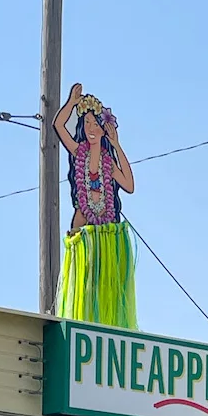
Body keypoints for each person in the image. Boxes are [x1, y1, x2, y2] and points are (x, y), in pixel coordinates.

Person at [53, 83, 137, 329]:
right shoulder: (79, 152)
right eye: (87, 123)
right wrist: (71, 101)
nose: (91, 129)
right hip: (84, 217)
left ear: (103, 129)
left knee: (106, 282)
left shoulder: (108, 162)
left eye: (95, 124)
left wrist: (117, 144)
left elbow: (129, 185)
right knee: (83, 268)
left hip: (108, 224)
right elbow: (58, 126)